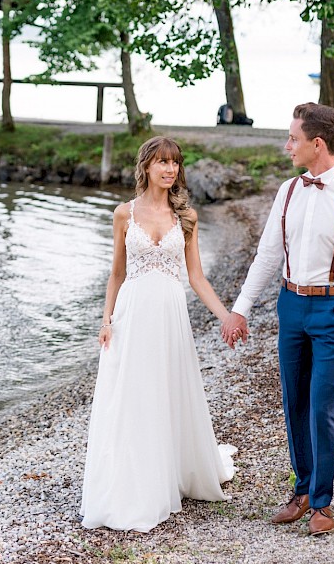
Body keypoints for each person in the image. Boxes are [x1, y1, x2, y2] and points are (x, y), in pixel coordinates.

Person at [222, 102, 334, 536]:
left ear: (317, 144)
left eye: (293, 139)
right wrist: (241, 308)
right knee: (294, 402)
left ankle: (322, 503)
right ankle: (301, 492)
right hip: (291, 305)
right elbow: (267, 255)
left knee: (323, 406)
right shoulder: (287, 190)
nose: (287, 146)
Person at [80, 136, 236, 533]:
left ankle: (170, 470)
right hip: (131, 313)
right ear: (146, 167)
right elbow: (116, 273)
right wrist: (106, 320)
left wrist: (225, 315)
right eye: (161, 162)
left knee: (165, 391)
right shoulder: (123, 214)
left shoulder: (186, 217)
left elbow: (196, 276)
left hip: (168, 315)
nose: (169, 170)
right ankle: (132, 482)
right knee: (132, 396)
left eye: (174, 163)